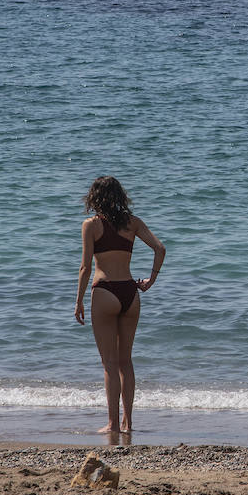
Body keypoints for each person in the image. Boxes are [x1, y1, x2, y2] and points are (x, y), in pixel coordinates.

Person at [76, 176, 165, 435]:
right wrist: (151, 280)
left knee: (109, 364)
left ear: (94, 198)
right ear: (120, 196)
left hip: (104, 291)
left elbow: (84, 268)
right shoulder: (133, 223)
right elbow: (160, 249)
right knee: (126, 362)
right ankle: (128, 424)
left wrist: (79, 300)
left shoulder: (91, 225)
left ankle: (113, 424)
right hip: (130, 293)